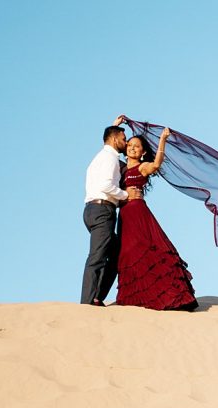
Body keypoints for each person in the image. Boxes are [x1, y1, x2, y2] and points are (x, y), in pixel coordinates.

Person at [114, 127, 198, 311]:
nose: (133, 148)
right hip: (124, 215)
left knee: (148, 250)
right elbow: (111, 147)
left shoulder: (142, 167)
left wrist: (162, 140)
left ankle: (168, 298)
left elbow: (156, 165)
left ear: (143, 152)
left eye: (137, 147)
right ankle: (135, 299)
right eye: (130, 145)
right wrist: (115, 126)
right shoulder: (118, 167)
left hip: (138, 213)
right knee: (128, 254)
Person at [81, 115, 129, 306]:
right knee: (97, 257)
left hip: (93, 210)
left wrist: (114, 126)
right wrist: (125, 195)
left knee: (115, 253)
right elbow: (106, 185)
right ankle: (87, 302)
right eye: (124, 139)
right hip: (102, 210)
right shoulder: (110, 158)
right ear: (115, 138)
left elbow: (108, 137)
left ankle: (96, 296)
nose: (126, 143)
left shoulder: (102, 156)